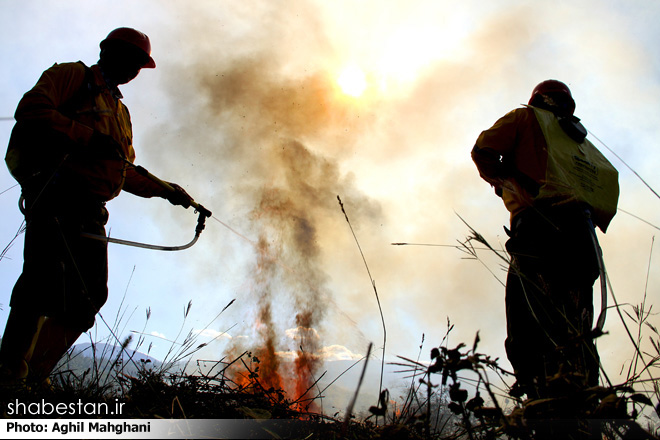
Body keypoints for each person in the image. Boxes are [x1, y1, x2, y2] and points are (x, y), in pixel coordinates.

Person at [1, 28, 195, 385]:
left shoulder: (120, 112)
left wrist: (166, 190)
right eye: (129, 58)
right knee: (40, 285)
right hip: (56, 198)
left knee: (88, 298)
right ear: (107, 51)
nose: (133, 69)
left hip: (91, 211)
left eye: (139, 64)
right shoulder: (71, 76)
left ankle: (35, 374)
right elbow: (31, 111)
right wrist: (87, 136)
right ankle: (9, 372)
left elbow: (122, 171)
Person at [471, 80, 619, 401]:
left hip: (539, 229)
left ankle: (540, 400)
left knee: (529, 319)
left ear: (536, 100)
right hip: (583, 239)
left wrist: (506, 180)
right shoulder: (581, 145)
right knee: (577, 324)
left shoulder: (525, 118)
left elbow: (483, 150)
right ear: (569, 106)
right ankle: (582, 401)